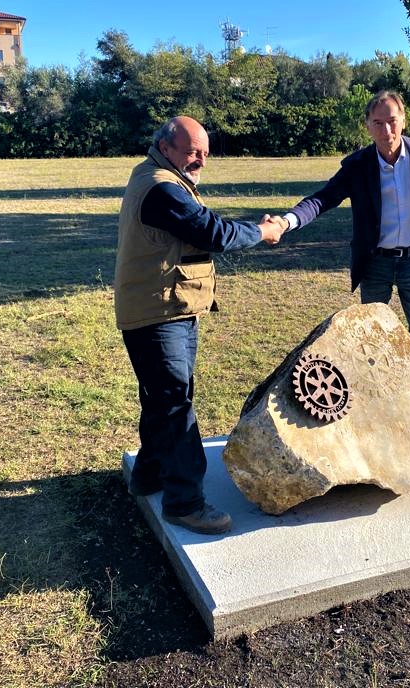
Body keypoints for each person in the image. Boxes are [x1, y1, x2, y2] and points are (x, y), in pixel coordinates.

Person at [115, 116, 284, 534]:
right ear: (165, 147)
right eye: (193, 152)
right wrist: (263, 231)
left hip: (165, 308)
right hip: (158, 314)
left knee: (162, 397)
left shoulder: (158, 176)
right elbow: (213, 232)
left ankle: (149, 474)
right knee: (175, 402)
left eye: (205, 154)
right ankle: (185, 503)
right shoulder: (161, 187)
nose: (201, 161)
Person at [270, 91, 410, 369]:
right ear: (368, 125)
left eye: (392, 121)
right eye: (378, 123)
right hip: (375, 264)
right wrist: (287, 221)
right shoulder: (357, 165)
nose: (386, 130)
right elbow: (323, 199)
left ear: (403, 120)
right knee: (373, 342)